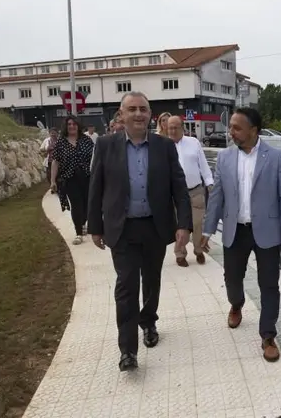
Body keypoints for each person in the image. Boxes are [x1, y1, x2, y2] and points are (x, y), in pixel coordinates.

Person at [87, 91, 192, 372]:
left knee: (152, 280)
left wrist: (184, 224)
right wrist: (95, 227)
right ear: (121, 114)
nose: (137, 114)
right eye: (131, 109)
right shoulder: (106, 146)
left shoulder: (164, 146)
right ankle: (127, 351)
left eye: (143, 109)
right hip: (122, 229)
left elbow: (179, 189)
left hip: (155, 227)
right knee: (126, 287)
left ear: (150, 114)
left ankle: (149, 321)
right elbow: (95, 188)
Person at [201, 107, 281, 362]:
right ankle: (236, 303)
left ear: (253, 131)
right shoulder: (224, 158)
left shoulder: (275, 157)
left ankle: (267, 335)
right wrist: (207, 229)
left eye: (236, 127)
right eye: (230, 126)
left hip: (267, 231)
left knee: (269, 284)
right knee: (232, 278)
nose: (230, 132)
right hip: (235, 230)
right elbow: (217, 196)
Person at [167, 115, 214, 267]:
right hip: (175, 194)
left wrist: (210, 183)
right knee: (180, 225)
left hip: (195, 191)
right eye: (170, 128)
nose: (173, 130)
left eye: (176, 127)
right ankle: (180, 254)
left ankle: (199, 250)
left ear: (183, 128)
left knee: (198, 223)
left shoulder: (193, 143)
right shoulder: (164, 145)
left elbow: (203, 164)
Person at [50, 116, 94, 244]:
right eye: (69, 124)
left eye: (74, 124)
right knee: (76, 204)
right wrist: (53, 181)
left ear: (78, 126)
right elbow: (55, 162)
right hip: (69, 178)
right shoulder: (61, 142)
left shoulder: (86, 140)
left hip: (87, 177)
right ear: (66, 126)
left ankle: (82, 222)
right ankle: (78, 233)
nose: (72, 126)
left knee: (87, 204)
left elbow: (95, 159)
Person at [39, 128, 58, 192]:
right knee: (49, 175)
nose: (53, 134)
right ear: (49, 133)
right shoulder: (46, 140)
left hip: (58, 161)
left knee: (57, 175)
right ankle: (52, 187)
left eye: (54, 132)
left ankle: (57, 187)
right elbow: (41, 149)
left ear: (57, 133)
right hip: (49, 161)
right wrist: (46, 150)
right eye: (51, 133)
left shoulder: (60, 141)